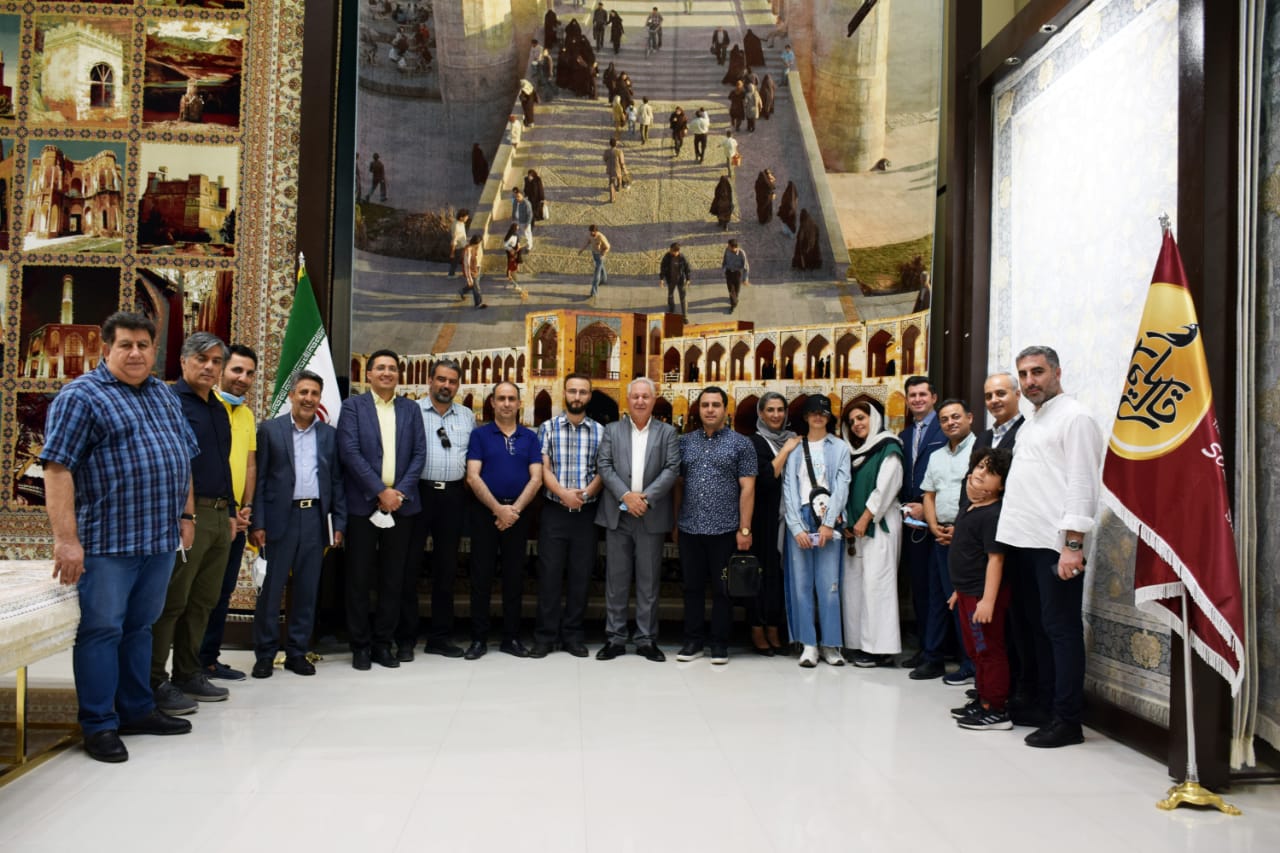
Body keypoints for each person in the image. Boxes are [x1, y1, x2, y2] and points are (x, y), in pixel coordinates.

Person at [41, 312, 198, 763]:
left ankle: (136, 709)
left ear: (154, 350)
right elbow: (57, 469)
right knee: (102, 630)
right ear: (106, 349)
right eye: (125, 345)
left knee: (140, 627)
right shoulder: (81, 397)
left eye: (143, 345)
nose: (135, 353)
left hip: (158, 539)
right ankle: (99, 724)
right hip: (108, 543)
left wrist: (186, 514)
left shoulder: (163, 394)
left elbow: (183, 456)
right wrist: (66, 540)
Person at [996, 346, 1103, 748]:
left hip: (1054, 545)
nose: (1030, 381)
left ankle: (1067, 720)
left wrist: (1073, 545)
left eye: (1037, 372)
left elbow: (1082, 484)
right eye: (1023, 374)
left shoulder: (1076, 418)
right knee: (1031, 629)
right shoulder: (1032, 422)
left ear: (1057, 373)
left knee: (1061, 630)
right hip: (1022, 542)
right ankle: (1042, 705)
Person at [150, 333, 234, 715]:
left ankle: (188, 672)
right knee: (174, 601)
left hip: (219, 514)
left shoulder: (218, 408)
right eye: (202, 359)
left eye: (216, 361)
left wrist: (231, 511)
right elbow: (174, 464)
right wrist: (186, 516)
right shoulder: (169, 403)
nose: (209, 367)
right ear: (183, 361)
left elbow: (223, 464)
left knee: (203, 601)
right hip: (189, 514)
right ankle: (154, 680)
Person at [249, 371, 346, 678]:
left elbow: (336, 481)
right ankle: (265, 654)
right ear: (291, 395)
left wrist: (339, 522)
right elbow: (260, 479)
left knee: (307, 589)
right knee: (271, 590)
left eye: (314, 393)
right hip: (280, 519)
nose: (308, 398)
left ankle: (297, 652)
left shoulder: (328, 435)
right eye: (303, 392)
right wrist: (258, 522)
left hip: (315, 519)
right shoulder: (270, 430)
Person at [338, 350, 427, 670]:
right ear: (369, 374)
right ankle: (360, 646)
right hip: (363, 506)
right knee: (359, 578)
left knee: (394, 578)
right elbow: (349, 452)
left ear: (398, 375)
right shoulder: (353, 407)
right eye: (380, 368)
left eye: (392, 368)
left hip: (401, 507)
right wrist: (380, 491)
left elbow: (419, 454)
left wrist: (398, 493)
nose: (387, 373)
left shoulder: (411, 409)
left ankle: (382, 644)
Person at [595, 378, 681, 661]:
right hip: (618, 515)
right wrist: (626, 496)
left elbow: (671, 468)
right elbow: (604, 465)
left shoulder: (668, 432)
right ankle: (615, 638)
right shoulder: (612, 430)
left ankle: (646, 639)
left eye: (646, 396)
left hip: (650, 515)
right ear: (628, 400)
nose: (640, 401)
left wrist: (644, 499)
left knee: (648, 581)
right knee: (616, 581)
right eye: (636, 397)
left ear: (654, 400)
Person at [676, 387, 757, 665]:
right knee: (692, 587)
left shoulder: (741, 444)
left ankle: (719, 643)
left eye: (715, 405)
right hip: (690, 528)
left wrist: (744, 529)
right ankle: (693, 641)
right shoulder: (685, 443)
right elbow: (678, 484)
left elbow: (748, 488)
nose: (710, 410)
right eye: (705, 405)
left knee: (724, 589)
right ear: (698, 410)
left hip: (725, 529)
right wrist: (675, 521)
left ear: (725, 409)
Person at [464, 382, 542, 659]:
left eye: (511, 399)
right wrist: (499, 510)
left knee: (514, 578)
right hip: (485, 514)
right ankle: (478, 639)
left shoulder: (530, 438)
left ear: (519, 403)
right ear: (493, 403)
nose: (506, 403)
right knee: (481, 577)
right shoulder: (480, 436)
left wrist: (514, 511)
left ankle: (511, 638)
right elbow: (472, 476)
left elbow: (536, 478)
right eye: (501, 398)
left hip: (518, 516)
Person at [533, 374, 605, 658]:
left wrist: (585, 495)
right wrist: (563, 494)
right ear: (564, 393)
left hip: (586, 514)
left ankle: (573, 636)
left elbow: (603, 470)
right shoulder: (548, 428)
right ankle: (545, 636)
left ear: (589, 396)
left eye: (583, 392)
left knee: (580, 576)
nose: (577, 396)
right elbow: (544, 468)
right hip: (555, 511)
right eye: (573, 391)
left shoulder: (600, 431)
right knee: (549, 575)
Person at [198, 344, 258, 683]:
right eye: (237, 370)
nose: (243, 378)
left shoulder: (246, 415)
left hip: (235, 517)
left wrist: (246, 506)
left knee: (222, 591)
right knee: (199, 593)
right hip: (207, 514)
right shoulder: (207, 407)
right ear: (221, 371)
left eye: (249, 373)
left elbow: (249, 464)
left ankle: (208, 660)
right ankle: (188, 664)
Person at [406, 359, 473, 659]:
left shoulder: (466, 416)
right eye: (442, 379)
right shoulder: (411, 411)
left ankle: (440, 637)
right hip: (418, 493)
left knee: (446, 568)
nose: (446, 385)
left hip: (453, 497)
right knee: (409, 566)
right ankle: (406, 637)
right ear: (430, 380)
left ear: (458, 385)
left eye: (452, 381)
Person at [949, 447, 1016, 730]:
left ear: (1002, 485)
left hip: (982, 595)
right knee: (975, 650)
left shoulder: (993, 515)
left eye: (990, 473)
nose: (980, 473)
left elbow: (995, 559)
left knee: (988, 649)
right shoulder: (970, 507)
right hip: (967, 592)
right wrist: (958, 590)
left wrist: (987, 600)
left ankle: (996, 708)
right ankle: (983, 697)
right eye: (979, 467)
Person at [782, 395, 851, 668]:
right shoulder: (796, 449)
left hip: (828, 518)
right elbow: (788, 488)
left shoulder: (840, 447)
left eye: (822, 412)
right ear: (806, 417)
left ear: (829, 417)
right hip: (801, 516)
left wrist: (828, 523)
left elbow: (842, 486)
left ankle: (830, 644)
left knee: (829, 585)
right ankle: (808, 644)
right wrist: (796, 527)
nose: (818, 417)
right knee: (801, 585)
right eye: (813, 412)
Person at [915, 399, 978, 684]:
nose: (950, 422)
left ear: (969, 418)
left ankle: (970, 663)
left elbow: (987, 496)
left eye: (955, 417)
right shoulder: (936, 456)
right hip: (939, 535)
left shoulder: (980, 451)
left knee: (963, 601)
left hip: (968, 540)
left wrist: (960, 530)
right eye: (944, 419)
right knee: (937, 600)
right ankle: (933, 658)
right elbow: (928, 494)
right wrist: (932, 526)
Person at [840, 398, 904, 668]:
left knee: (877, 586)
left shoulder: (888, 447)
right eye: (851, 421)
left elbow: (886, 487)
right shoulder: (851, 453)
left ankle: (880, 649)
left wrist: (866, 517)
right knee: (854, 587)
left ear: (874, 418)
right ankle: (857, 644)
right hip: (855, 530)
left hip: (879, 526)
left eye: (861, 418)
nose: (856, 424)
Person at [898, 376, 946, 670]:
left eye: (922, 394)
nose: (917, 399)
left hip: (940, 520)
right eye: (912, 395)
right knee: (920, 587)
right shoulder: (904, 436)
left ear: (933, 397)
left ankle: (939, 651)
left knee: (940, 589)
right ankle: (926, 648)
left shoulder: (946, 428)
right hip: (912, 523)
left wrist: (928, 508)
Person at [749, 393, 801, 655]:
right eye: (770, 410)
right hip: (762, 519)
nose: (776, 415)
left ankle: (774, 627)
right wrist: (786, 450)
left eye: (780, 410)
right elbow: (766, 478)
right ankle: (758, 629)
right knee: (761, 574)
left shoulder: (794, 439)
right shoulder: (754, 442)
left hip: (788, 518)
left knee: (779, 576)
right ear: (761, 413)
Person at [659, 241, 692, 320]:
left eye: (671, 250)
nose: (670, 251)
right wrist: (661, 279)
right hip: (670, 280)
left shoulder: (682, 258)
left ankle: (685, 316)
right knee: (670, 295)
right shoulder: (667, 257)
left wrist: (688, 279)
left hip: (681, 280)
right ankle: (671, 307)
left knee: (683, 298)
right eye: (670, 249)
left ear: (677, 251)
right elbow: (663, 267)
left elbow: (687, 269)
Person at [580, 224, 610, 299]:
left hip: (600, 256)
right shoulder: (590, 235)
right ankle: (604, 280)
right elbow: (588, 241)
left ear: (596, 231)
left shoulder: (601, 237)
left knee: (597, 273)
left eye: (593, 232)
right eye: (590, 231)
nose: (591, 233)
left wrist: (603, 254)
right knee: (601, 267)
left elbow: (608, 247)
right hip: (594, 254)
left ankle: (593, 291)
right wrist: (582, 249)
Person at [458, 234, 486, 309]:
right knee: (476, 288)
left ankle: (462, 291)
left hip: (476, 268)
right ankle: (478, 304)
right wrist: (469, 279)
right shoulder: (468, 251)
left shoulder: (475, 247)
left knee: (474, 285)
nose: (480, 245)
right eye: (479, 243)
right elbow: (467, 266)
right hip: (471, 271)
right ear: (475, 243)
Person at [721, 238, 749, 311]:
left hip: (737, 274)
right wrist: (724, 268)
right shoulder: (727, 250)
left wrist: (745, 279)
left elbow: (746, 266)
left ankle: (734, 299)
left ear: (733, 247)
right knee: (731, 290)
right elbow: (724, 259)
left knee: (737, 290)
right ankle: (733, 304)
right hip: (729, 272)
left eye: (729, 246)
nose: (727, 247)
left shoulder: (741, 253)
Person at [447, 209, 471, 277]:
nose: (467, 218)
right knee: (456, 261)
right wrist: (452, 252)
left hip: (463, 245)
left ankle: (452, 274)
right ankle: (451, 274)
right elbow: (454, 240)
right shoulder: (456, 226)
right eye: (466, 217)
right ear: (461, 217)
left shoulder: (461, 223)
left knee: (459, 261)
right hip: (458, 247)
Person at [603, 136, 626, 203]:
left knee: (611, 183)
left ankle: (612, 198)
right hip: (618, 168)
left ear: (610, 144)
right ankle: (619, 187)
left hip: (610, 169)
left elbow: (605, 159)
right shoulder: (619, 152)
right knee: (619, 177)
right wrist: (624, 169)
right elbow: (622, 162)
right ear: (616, 144)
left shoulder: (607, 151)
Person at [512, 187, 534, 253]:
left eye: (518, 196)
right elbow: (514, 210)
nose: (517, 198)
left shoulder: (526, 203)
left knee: (527, 235)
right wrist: (513, 219)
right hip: (517, 220)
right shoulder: (515, 201)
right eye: (516, 196)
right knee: (517, 234)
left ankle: (529, 246)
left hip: (524, 222)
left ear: (522, 196)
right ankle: (517, 246)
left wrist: (527, 224)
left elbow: (530, 215)